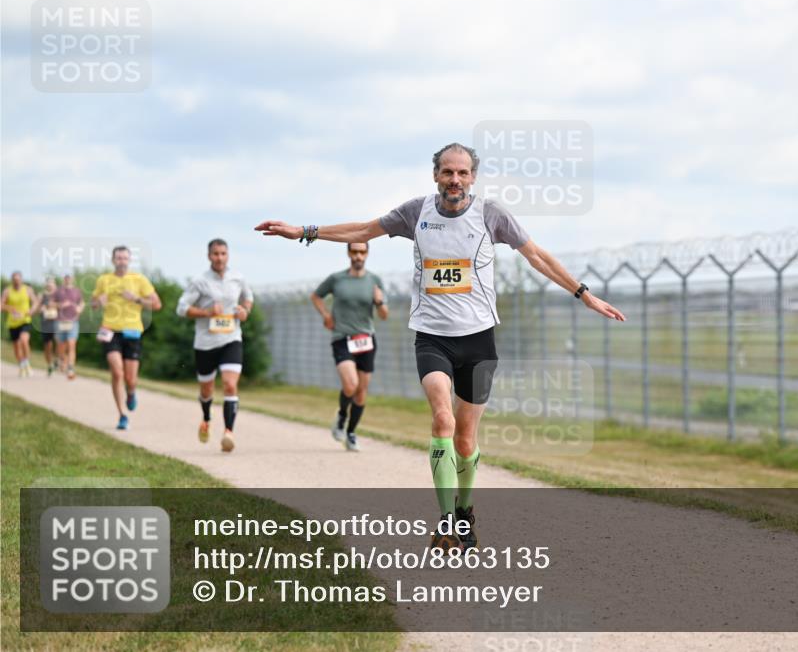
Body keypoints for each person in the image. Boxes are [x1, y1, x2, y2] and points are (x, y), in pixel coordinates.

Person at [256, 142, 626, 552]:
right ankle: (446, 521)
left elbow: (536, 256)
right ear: (435, 175)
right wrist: (303, 232)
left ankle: (465, 512)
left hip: (479, 340)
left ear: (473, 177)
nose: (455, 180)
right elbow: (362, 230)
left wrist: (584, 295)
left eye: (463, 173)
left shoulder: (491, 215)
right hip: (432, 338)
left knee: (466, 441)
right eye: (448, 172)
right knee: (442, 421)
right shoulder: (416, 212)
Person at [176, 238, 254, 453]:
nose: (219, 258)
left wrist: (244, 311)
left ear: (228, 255)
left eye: (223, 254)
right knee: (207, 389)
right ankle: (206, 418)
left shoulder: (238, 278)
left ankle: (228, 432)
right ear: (209, 256)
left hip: (231, 338)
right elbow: (181, 308)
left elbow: (248, 298)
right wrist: (206, 312)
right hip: (205, 343)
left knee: (229, 385)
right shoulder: (200, 281)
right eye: (215, 254)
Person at [310, 242, 389, 452]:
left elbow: (384, 315)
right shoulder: (337, 279)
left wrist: (380, 302)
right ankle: (342, 415)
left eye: (362, 252)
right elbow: (316, 296)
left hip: (366, 339)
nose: (358, 255)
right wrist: (326, 315)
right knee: (351, 385)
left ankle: (351, 433)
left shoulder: (374, 280)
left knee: (361, 392)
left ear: (367, 254)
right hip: (342, 338)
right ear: (348, 253)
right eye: (354, 251)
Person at [91, 246, 162, 430]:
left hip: (132, 332)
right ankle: (122, 415)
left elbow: (157, 304)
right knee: (117, 372)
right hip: (110, 330)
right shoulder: (104, 280)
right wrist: (99, 301)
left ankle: (131, 393)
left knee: (131, 379)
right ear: (113, 260)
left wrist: (137, 299)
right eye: (118, 258)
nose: (121, 261)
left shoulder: (139, 280)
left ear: (129, 260)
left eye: (124, 258)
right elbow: (93, 304)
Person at [2, 271, 39, 377]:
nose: (16, 282)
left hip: (25, 320)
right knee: (16, 347)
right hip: (12, 323)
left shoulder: (27, 289)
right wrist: (10, 308)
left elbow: (35, 302)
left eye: (18, 280)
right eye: (15, 280)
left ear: (21, 280)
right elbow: (1, 305)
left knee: (24, 340)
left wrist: (31, 310)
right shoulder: (7, 291)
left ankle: (27, 362)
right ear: (12, 280)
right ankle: (22, 365)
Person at [54, 273, 84, 380]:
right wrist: (60, 305)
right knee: (61, 346)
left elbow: (82, 303)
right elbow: (51, 304)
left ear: (73, 279)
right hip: (60, 321)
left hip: (73, 321)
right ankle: (61, 359)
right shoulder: (58, 291)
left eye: (70, 278)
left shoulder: (77, 291)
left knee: (72, 344)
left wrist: (80, 308)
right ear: (64, 279)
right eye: (66, 278)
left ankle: (70, 368)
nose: (68, 280)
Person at [39, 277, 60, 376]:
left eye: (52, 283)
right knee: (48, 346)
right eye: (48, 283)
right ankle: (50, 364)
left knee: (58, 340)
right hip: (45, 323)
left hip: (56, 322)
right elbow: (38, 307)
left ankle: (57, 359)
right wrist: (42, 308)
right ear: (46, 285)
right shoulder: (42, 295)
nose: (50, 285)